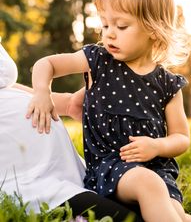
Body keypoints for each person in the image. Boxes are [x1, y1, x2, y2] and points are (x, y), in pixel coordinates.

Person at [27, 0, 191, 222]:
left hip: (158, 170)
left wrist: (156, 146)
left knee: (179, 215)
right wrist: (42, 92)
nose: (109, 34)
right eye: (105, 25)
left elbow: (181, 138)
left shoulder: (168, 84)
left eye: (121, 26)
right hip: (110, 167)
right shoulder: (98, 61)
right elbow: (47, 63)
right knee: (149, 185)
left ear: (153, 28)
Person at [0, 41, 142, 221]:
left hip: (60, 167)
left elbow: (4, 85)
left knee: (150, 207)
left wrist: (66, 104)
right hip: (25, 178)